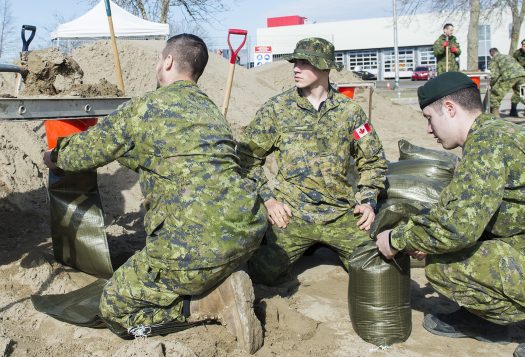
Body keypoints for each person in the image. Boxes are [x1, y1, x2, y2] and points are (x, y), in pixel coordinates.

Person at [43, 34, 268, 354]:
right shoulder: (209, 110)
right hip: (245, 233)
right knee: (191, 257)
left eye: (157, 60)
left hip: (191, 243)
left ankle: (203, 304)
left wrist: (54, 155)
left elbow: (85, 151)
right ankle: (219, 278)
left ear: (168, 62)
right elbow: (157, 155)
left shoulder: (146, 107)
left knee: (114, 310)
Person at [375, 72, 525, 357]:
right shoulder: (496, 134)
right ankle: (484, 318)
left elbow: (456, 228)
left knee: (444, 268)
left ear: (450, 109)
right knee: (450, 250)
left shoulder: (486, 147)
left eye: (429, 118)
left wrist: (397, 239)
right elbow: (464, 212)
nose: (429, 129)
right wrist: (424, 235)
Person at [238, 37, 387, 286]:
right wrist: (269, 200)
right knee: (263, 274)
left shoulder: (349, 112)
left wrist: (369, 201)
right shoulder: (277, 110)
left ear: (325, 68)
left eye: (305, 63)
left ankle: (321, 245)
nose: (296, 68)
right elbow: (246, 159)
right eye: (295, 62)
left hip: (340, 213)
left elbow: (373, 160)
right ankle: (305, 246)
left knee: (374, 273)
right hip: (293, 214)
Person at [488, 47, 525, 118]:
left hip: (509, 76)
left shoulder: (494, 59)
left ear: (491, 54)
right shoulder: (508, 56)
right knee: (523, 95)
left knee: (495, 96)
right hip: (522, 75)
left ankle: (495, 116)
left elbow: (494, 75)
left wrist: (491, 84)